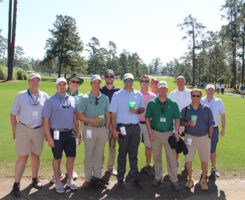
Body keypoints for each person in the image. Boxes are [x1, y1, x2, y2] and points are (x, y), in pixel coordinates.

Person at [10, 73, 49, 197]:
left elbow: (47, 116)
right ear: (29, 82)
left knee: (35, 155)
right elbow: (13, 114)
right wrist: (14, 130)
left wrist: (46, 132)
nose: (35, 83)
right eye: (33, 81)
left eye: (37, 81)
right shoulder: (21, 95)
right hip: (23, 129)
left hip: (39, 130)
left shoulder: (45, 96)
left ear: (40, 82)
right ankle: (16, 185)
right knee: (23, 157)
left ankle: (34, 179)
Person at [43, 77, 80, 193]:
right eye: (60, 85)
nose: (62, 87)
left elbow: (75, 117)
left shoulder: (72, 99)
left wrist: (78, 132)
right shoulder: (50, 100)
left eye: (64, 85)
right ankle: (58, 182)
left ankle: (69, 180)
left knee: (71, 157)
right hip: (56, 133)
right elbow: (45, 120)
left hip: (70, 133)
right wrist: (49, 137)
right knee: (57, 158)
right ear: (56, 86)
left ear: (67, 86)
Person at [110, 73, 145, 188]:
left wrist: (137, 111)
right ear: (123, 81)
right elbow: (113, 114)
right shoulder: (117, 95)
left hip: (135, 128)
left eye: (131, 80)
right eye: (127, 80)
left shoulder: (138, 94)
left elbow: (142, 109)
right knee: (122, 154)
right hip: (122, 128)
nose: (129, 82)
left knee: (134, 154)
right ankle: (120, 179)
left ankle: (135, 178)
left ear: (133, 81)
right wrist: (114, 130)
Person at [145, 81, 180, 191]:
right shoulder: (152, 103)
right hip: (155, 134)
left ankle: (174, 180)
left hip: (169, 134)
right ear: (158, 90)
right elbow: (147, 118)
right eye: (161, 88)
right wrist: (150, 133)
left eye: (165, 88)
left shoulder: (173, 103)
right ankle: (158, 178)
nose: (163, 90)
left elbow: (177, 119)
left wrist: (176, 132)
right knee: (157, 157)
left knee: (171, 158)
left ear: (167, 89)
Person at [76, 75, 110, 190]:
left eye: (98, 82)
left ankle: (97, 177)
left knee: (99, 155)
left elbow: (108, 114)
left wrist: (107, 127)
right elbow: (79, 115)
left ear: (100, 84)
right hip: (89, 129)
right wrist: (93, 120)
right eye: (94, 82)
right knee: (89, 155)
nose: (97, 84)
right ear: (91, 84)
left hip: (102, 130)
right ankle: (87, 179)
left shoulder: (105, 98)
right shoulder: (84, 98)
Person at [50, 73, 83, 183]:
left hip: (74, 125)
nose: (75, 84)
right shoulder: (62, 93)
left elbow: (78, 115)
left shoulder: (81, 97)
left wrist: (79, 130)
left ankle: (70, 172)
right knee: (58, 153)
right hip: (60, 126)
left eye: (77, 82)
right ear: (69, 83)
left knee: (71, 152)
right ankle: (57, 173)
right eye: (73, 81)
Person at [181, 89, 214, 191]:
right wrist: (187, 123)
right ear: (191, 97)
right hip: (190, 137)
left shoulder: (207, 109)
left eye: (198, 96)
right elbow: (181, 122)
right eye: (194, 96)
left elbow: (211, 124)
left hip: (204, 137)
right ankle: (190, 178)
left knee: (204, 160)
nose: (195, 97)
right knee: (188, 159)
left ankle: (203, 179)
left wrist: (210, 137)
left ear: (200, 97)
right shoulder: (186, 109)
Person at [201, 84, 226, 177]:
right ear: (205, 90)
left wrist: (223, 129)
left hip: (214, 129)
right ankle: (204, 169)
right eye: (208, 90)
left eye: (212, 90)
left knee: (213, 150)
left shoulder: (219, 101)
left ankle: (213, 167)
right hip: (203, 129)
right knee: (204, 150)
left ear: (214, 91)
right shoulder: (201, 100)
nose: (210, 91)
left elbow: (222, 116)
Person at [100, 69, 120, 176]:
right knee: (100, 146)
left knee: (112, 146)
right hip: (102, 123)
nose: (109, 78)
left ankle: (110, 167)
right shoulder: (100, 90)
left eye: (111, 76)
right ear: (104, 78)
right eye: (107, 76)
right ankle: (99, 166)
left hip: (114, 123)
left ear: (114, 77)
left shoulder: (118, 91)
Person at [169, 76, 191, 167]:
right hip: (176, 122)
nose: (180, 82)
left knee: (189, 142)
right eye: (178, 81)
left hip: (188, 122)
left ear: (185, 81)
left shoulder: (190, 93)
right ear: (176, 82)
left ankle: (187, 162)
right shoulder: (172, 94)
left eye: (182, 81)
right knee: (176, 141)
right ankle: (176, 160)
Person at [138, 75, 156, 175]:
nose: (144, 83)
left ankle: (148, 165)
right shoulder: (135, 94)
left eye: (146, 81)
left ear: (148, 83)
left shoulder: (153, 96)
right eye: (142, 81)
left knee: (148, 146)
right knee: (134, 146)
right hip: (136, 124)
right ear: (139, 82)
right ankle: (134, 166)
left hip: (148, 125)